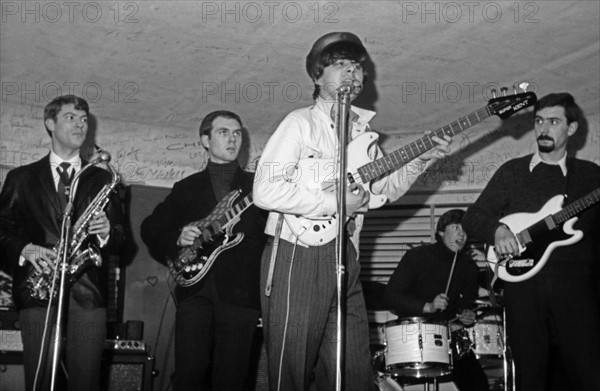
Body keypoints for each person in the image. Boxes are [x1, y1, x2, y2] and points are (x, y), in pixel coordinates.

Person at [253, 32, 451, 391]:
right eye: (341, 65)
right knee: (291, 369)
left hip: (346, 255)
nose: (353, 73)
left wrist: (419, 159)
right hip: (297, 254)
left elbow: (382, 192)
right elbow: (265, 190)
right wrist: (333, 203)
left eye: (358, 67)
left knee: (354, 371)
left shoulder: (364, 137)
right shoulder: (300, 123)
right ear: (317, 76)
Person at [462, 92, 600, 391]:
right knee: (529, 377)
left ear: (571, 129)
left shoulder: (591, 177)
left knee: (588, 373)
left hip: (575, 289)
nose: (543, 128)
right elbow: (473, 217)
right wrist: (497, 231)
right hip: (524, 290)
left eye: (553, 121)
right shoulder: (512, 172)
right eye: (539, 121)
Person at [0, 95, 128, 391]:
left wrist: (108, 231)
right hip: (37, 288)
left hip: (89, 293)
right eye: (71, 117)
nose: (81, 124)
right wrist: (23, 249)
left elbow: (124, 241)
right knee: (41, 379)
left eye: (84, 119)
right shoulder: (21, 178)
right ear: (50, 123)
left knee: (86, 382)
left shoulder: (102, 179)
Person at [140, 110, 267, 391]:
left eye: (237, 134)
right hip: (195, 290)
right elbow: (149, 228)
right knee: (188, 374)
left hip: (241, 294)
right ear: (205, 140)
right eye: (224, 132)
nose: (233, 139)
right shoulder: (186, 188)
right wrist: (177, 236)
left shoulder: (259, 187)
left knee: (232, 379)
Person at [384, 209, 489, 391]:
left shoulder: (468, 267)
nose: (461, 234)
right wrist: (427, 307)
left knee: (478, 384)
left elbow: (464, 306)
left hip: (449, 338)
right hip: (412, 337)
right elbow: (391, 297)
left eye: (465, 230)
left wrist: (465, 315)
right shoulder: (417, 257)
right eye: (456, 227)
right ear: (441, 231)